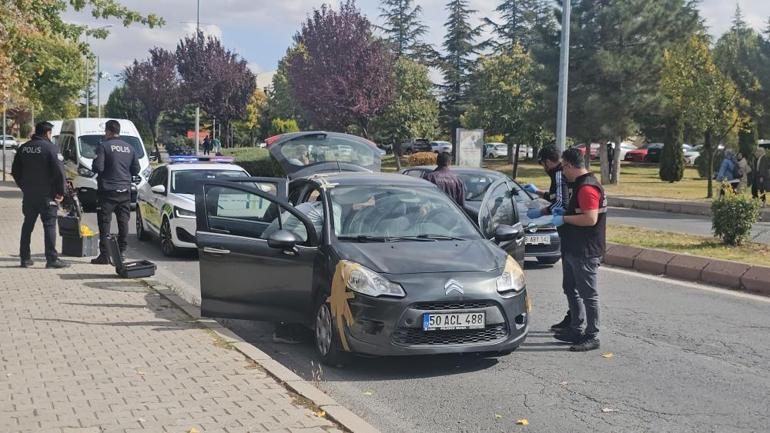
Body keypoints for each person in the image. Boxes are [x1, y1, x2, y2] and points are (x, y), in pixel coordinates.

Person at [548, 148, 607, 352]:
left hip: (585, 250)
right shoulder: (579, 185)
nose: (562, 171)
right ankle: (576, 328)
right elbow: (579, 211)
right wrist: (564, 212)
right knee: (570, 289)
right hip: (573, 247)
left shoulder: (587, 188)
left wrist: (563, 218)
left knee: (588, 294)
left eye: (563, 166)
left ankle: (592, 335)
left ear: (571, 165)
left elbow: (590, 219)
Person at [522, 145, 573, 331]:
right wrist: (538, 192)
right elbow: (555, 196)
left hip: (570, 232)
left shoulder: (559, 174)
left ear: (549, 161)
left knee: (573, 282)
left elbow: (561, 202)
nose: (543, 167)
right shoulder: (558, 175)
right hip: (569, 231)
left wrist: (541, 212)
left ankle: (576, 320)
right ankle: (574, 317)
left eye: (543, 163)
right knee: (570, 283)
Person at [11, 121, 69, 269]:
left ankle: (24, 258)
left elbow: (15, 171)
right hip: (47, 196)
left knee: (27, 225)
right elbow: (60, 173)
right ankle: (51, 259)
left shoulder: (24, 148)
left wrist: (24, 187)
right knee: (49, 225)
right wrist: (61, 192)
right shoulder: (51, 148)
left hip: (29, 195)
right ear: (48, 133)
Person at [90, 120, 140, 264]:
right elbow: (136, 170)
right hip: (125, 191)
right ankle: (122, 252)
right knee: (123, 223)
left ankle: (105, 255)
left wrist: (96, 163)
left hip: (107, 191)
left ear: (108, 131)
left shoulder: (103, 146)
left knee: (104, 223)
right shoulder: (129, 148)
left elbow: (98, 167)